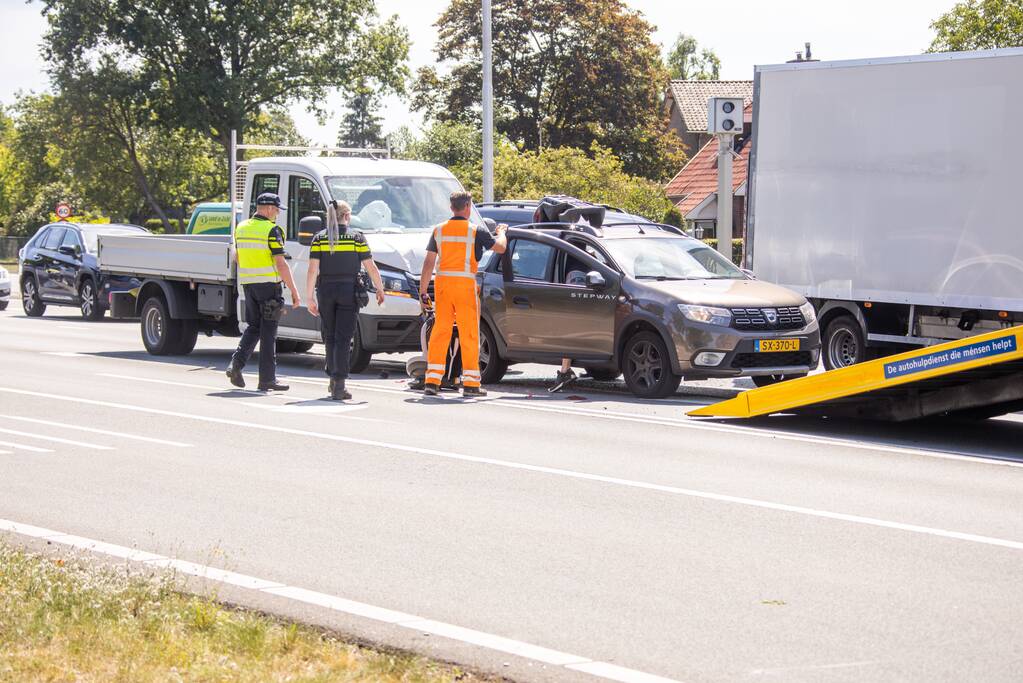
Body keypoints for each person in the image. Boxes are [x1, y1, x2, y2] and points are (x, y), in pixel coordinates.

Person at [418, 191, 507, 397]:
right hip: (465, 286)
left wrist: (423, 291)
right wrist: (501, 231)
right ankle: (471, 384)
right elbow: (500, 248)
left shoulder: (439, 230)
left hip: (443, 286)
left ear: (451, 208)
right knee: (469, 333)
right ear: (468, 206)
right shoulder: (475, 231)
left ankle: (432, 381)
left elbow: (428, 262)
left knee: (441, 331)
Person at [306, 200, 385, 400]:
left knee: (330, 335)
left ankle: (333, 377)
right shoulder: (356, 238)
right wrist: (379, 288)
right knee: (343, 338)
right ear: (347, 216)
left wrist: (309, 297)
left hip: (325, 290)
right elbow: (370, 266)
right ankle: (339, 383)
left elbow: (312, 269)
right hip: (348, 291)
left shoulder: (319, 238)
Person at [226, 192, 301, 392]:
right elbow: (281, 263)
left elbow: (236, 257)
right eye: (276, 209)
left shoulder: (241, 228)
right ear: (268, 208)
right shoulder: (272, 230)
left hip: (249, 285)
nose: (277, 213)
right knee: (269, 333)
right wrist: (294, 290)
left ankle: (236, 364)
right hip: (269, 286)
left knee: (253, 327)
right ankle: (267, 379)